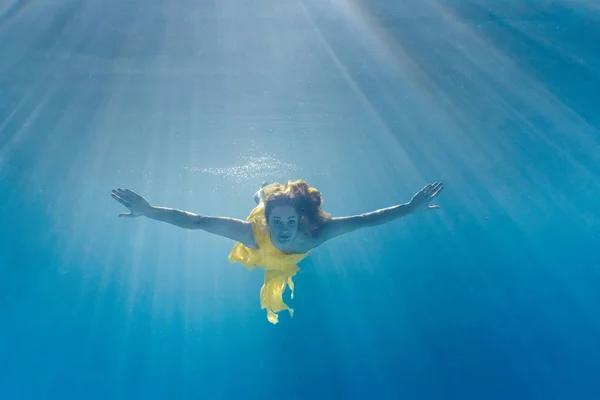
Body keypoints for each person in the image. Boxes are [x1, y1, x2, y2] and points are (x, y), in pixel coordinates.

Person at [111, 179, 443, 324]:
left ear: (300, 220)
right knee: (261, 203)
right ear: (268, 223)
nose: (284, 229)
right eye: (277, 222)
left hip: (287, 260)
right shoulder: (253, 233)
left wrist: (409, 208)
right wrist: (150, 210)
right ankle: (262, 198)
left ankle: (268, 197)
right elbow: (197, 221)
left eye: (288, 221)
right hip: (259, 251)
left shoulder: (313, 235)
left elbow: (365, 220)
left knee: (278, 232)